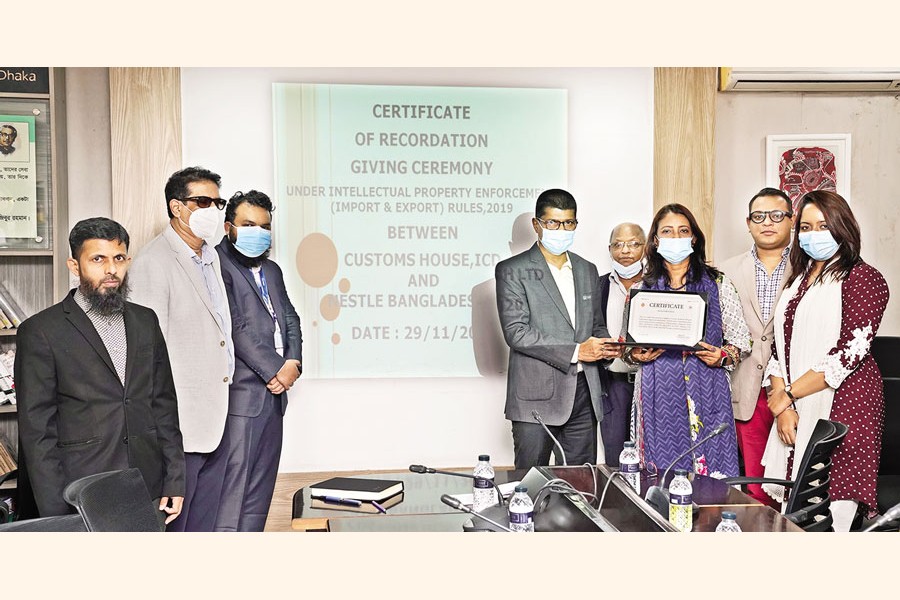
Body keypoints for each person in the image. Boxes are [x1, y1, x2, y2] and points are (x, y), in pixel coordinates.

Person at [14, 218, 185, 522]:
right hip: (80, 493)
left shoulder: (146, 320)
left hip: (147, 485)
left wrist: (174, 479)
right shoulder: (40, 331)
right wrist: (56, 515)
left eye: (118, 258)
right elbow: (37, 432)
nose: (111, 269)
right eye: (98, 259)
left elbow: (163, 405)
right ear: (74, 265)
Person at [761, 190, 889, 531]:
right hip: (795, 403)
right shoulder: (797, 281)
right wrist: (784, 407)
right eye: (806, 227)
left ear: (842, 228)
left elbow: (849, 353)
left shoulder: (864, 278)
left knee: (831, 512)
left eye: (823, 226)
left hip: (845, 406)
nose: (813, 234)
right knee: (794, 515)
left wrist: (787, 395)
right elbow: (780, 349)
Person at [128, 166, 234, 531]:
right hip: (178, 427)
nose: (213, 210)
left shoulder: (210, 256)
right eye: (202, 201)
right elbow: (145, 357)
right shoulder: (153, 262)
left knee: (203, 527)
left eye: (218, 202)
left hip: (215, 418)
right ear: (176, 207)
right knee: (175, 529)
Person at [495, 188, 620, 469]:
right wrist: (577, 351)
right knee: (529, 484)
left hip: (584, 395)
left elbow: (596, 326)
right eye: (553, 223)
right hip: (535, 399)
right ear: (537, 224)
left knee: (581, 484)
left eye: (568, 223)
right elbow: (517, 332)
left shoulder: (587, 269)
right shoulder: (512, 269)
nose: (561, 230)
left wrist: (608, 348)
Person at [624, 203, 750, 478]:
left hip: (709, 391)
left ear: (694, 238)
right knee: (661, 478)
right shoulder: (640, 290)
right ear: (655, 240)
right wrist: (636, 355)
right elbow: (627, 348)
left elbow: (741, 340)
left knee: (713, 477)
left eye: (683, 231)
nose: (676, 237)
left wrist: (722, 356)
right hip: (657, 392)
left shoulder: (718, 284)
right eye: (667, 231)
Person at [213, 190, 302, 531]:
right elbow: (233, 326)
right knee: (232, 496)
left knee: (259, 497)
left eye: (264, 227)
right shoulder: (215, 265)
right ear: (229, 227)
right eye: (249, 225)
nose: (259, 233)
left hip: (274, 398)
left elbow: (290, 317)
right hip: (242, 397)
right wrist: (276, 369)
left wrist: (293, 362)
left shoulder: (273, 270)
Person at [720, 188, 793, 507]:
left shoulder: (809, 268)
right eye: (759, 216)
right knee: (756, 488)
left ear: (791, 220)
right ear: (748, 223)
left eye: (776, 215)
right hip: (745, 389)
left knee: (795, 484)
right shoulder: (725, 270)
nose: (768, 223)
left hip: (795, 391)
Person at [597, 223, 646, 466]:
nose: (625, 250)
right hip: (613, 384)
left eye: (633, 244)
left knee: (651, 458)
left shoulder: (658, 284)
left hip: (650, 383)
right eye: (618, 244)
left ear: (645, 248)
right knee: (616, 459)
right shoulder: (598, 286)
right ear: (610, 249)